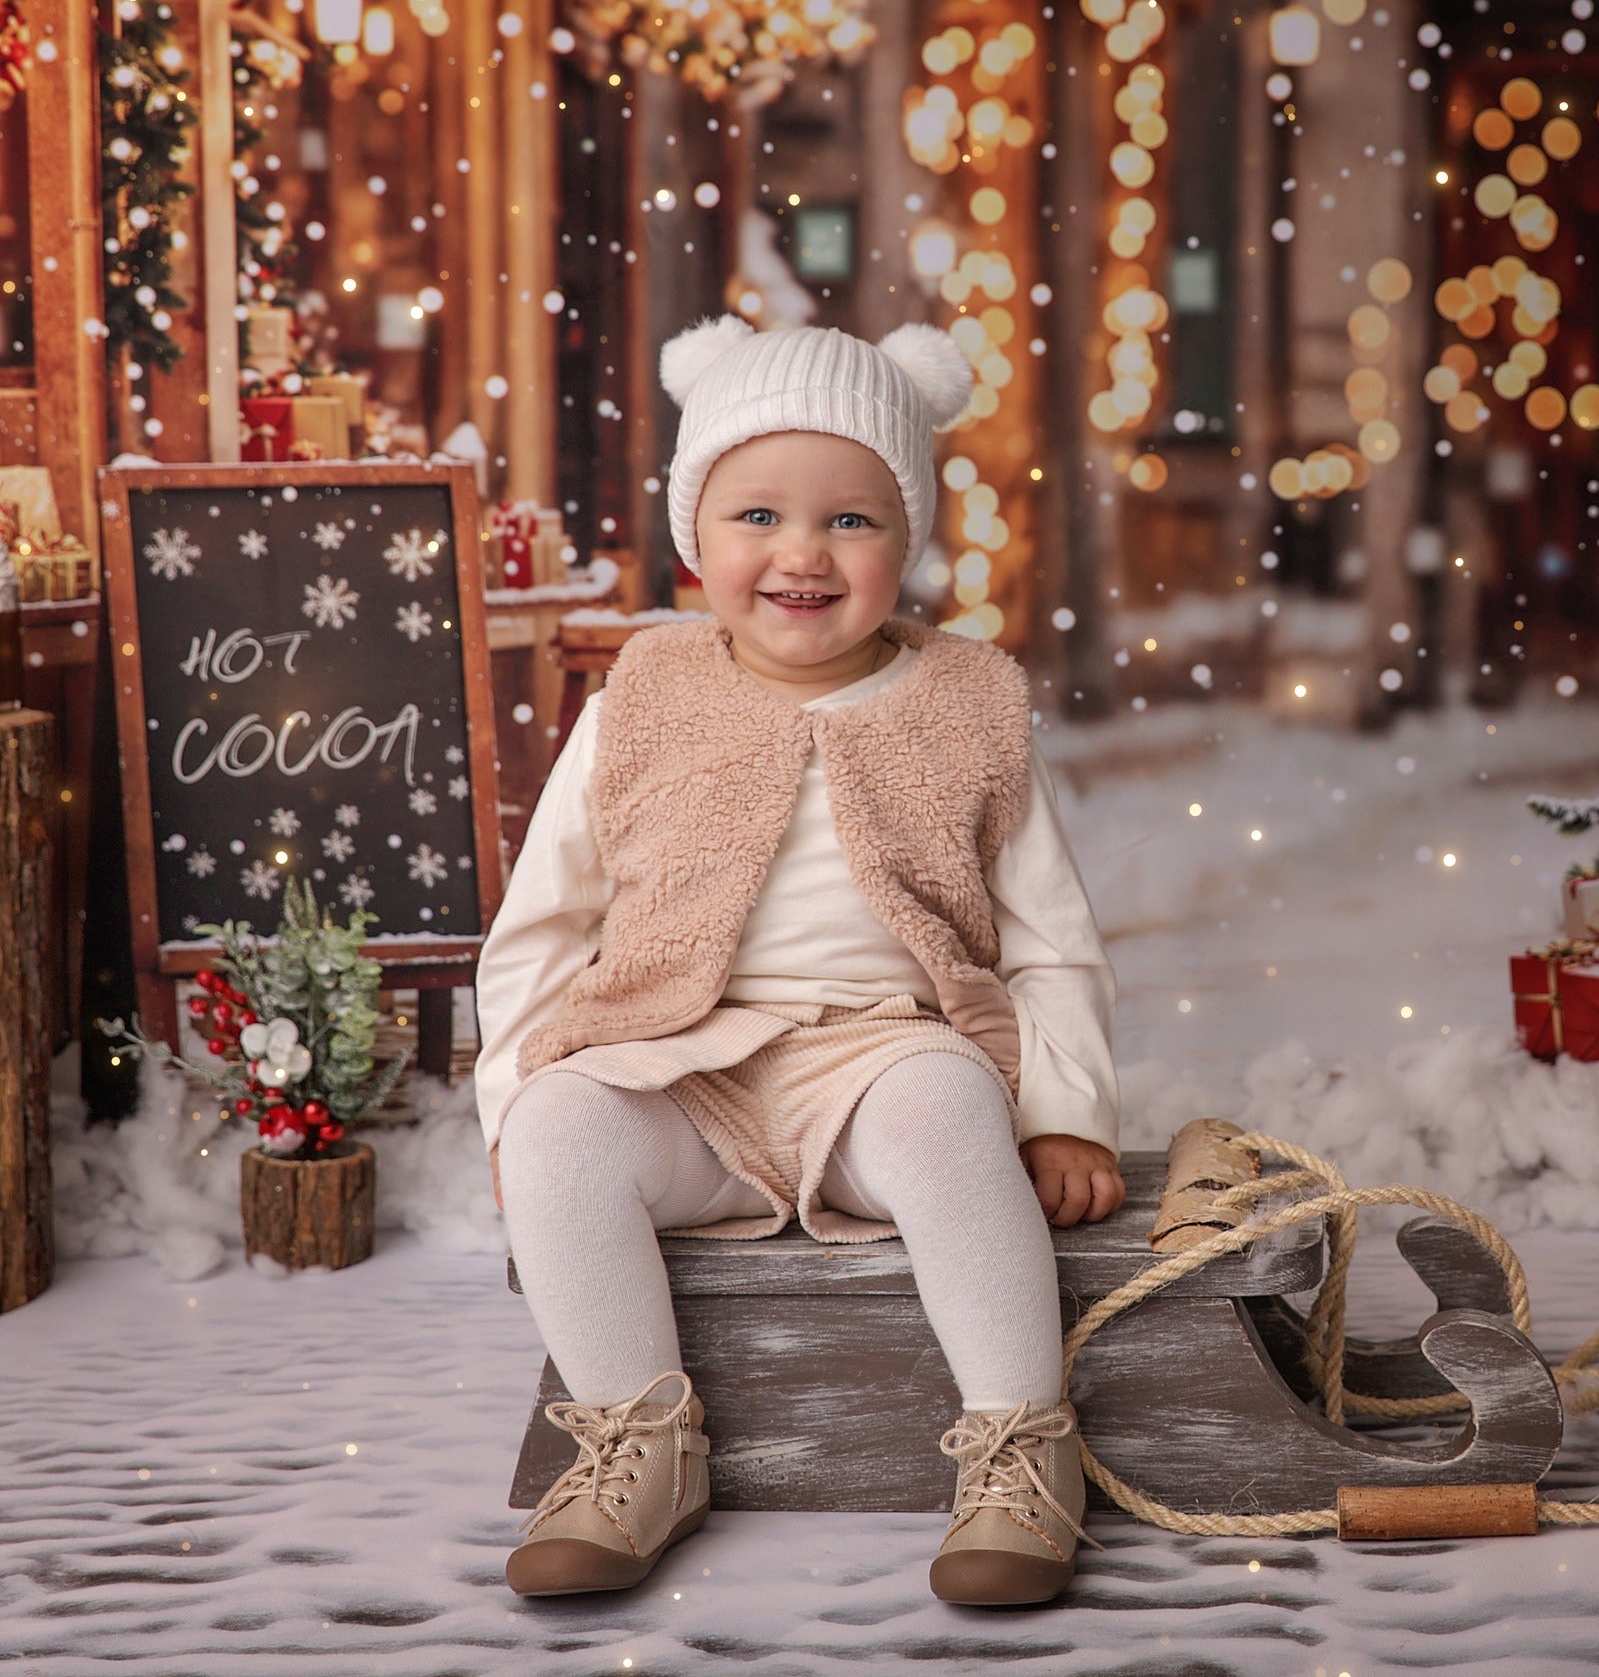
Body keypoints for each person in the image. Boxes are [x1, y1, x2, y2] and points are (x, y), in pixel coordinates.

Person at [475, 314, 1124, 1608]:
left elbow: (1051, 940)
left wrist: (1063, 1116)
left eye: (851, 521)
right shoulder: (642, 699)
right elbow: (541, 928)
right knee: (558, 1134)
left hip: (882, 1056)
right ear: (692, 541)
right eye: (757, 515)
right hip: (679, 1064)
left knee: (948, 1115)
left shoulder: (966, 702)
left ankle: (1017, 1447)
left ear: (910, 542)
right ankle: (635, 1444)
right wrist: (514, 1101)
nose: (800, 556)